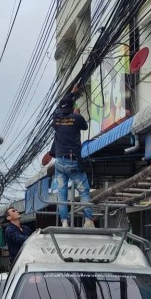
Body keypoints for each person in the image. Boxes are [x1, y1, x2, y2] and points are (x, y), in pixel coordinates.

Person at [50, 84, 94, 229]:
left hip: (59, 161)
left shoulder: (56, 119)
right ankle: (88, 221)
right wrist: (77, 113)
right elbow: (85, 127)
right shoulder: (76, 118)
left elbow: (59, 106)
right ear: (72, 107)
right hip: (73, 160)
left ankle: (64, 222)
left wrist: (71, 93)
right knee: (83, 191)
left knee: (62, 193)